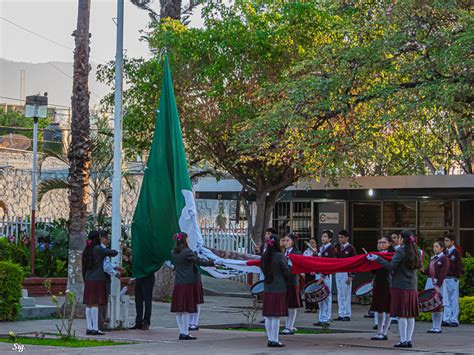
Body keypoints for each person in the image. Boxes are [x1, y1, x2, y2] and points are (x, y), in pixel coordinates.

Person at [367, 229, 422, 348]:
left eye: (399, 237)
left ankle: (403, 341)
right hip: (412, 286)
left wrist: (377, 259)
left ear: (402, 239)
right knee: (410, 315)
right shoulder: (416, 251)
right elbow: (420, 266)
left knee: (402, 315)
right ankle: (408, 340)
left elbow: (390, 266)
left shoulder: (401, 251)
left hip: (399, 286)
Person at [170, 232, 215, 340]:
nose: (189, 240)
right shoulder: (187, 252)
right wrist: (211, 262)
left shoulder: (173, 252)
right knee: (185, 309)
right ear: (185, 240)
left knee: (179, 310)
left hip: (178, 283)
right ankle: (185, 333)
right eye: (188, 238)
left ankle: (182, 332)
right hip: (187, 282)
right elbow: (198, 261)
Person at [82, 230, 119, 336]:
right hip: (97, 280)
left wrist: (85, 279)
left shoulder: (86, 250)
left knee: (88, 304)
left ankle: (89, 327)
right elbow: (113, 253)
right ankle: (95, 328)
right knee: (95, 303)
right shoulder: (98, 249)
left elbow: (83, 267)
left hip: (88, 279)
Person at [261, 234, 289, 348]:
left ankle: (270, 339)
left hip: (268, 288)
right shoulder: (280, 256)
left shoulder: (264, 256)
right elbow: (286, 272)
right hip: (279, 288)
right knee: (276, 316)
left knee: (268, 315)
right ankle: (275, 340)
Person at [99, 229, 124, 331]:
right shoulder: (102, 249)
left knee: (103, 300)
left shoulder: (96, 249)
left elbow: (107, 264)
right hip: (103, 278)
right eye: (106, 238)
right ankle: (102, 322)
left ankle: (102, 320)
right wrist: (115, 273)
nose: (107, 240)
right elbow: (105, 266)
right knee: (102, 301)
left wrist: (115, 267)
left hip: (100, 277)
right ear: (102, 238)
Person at [370, 235, 394, 340]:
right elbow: (374, 271)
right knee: (379, 309)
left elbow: (391, 267)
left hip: (389, 283)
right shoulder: (377, 254)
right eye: (379, 242)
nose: (381, 244)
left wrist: (378, 259)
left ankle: (385, 332)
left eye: (384, 242)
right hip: (378, 283)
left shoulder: (393, 254)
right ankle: (379, 331)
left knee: (388, 309)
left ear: (389, 243)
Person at [424, 240, 449, 334]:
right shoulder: (433, 258)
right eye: (434, 246)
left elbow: (444, 272)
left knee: (439, 303)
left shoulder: (444, 259)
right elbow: (427, 271)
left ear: (442, 248)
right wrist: (422, 269)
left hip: (439, 283)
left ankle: (438, 327)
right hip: (430, 281)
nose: (435, 248)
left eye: (437, 247)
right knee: (433, 304)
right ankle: (434, 327)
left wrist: (438, 284)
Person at [281, 233, 302, 335]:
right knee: (286, 304)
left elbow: (294, 267)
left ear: (293, 241)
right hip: (285, 281)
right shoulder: (284, 253)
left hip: (292, 281)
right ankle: (287, 326)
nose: (285, 243)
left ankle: (289, 326)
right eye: (284, 241)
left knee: (292, 305)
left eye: (287, 240)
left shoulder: (296, 253)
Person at [313, 230, 336, 327]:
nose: (323, 238)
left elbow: (329, 265)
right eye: (322, 236)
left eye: (325, 236)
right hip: (318, 274)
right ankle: (321, 318)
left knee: (326, 297)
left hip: (325, 275)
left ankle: (327, 318)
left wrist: (323, 276)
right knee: (320, 297)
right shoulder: (321, 248)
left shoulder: (331, 248)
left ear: (330, 239)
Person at [442, 233, 464, 327]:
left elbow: (459, 266)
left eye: (447, 241)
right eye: (445, 240)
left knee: (453, 299)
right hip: (445, 279)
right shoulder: (444, 252)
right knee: (446, 300)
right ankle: (446, 319)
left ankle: (454, 320)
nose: (445, 242)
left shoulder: (456, 252)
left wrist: (456, 277)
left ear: (452, 242)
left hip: (453, 279)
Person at [334, 230, 356, 321]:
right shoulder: (338, 247)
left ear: (347, 238)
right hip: (338, 272)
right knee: (340, 294)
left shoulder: (350, 248)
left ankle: (347, 314)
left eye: (342, 237)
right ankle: (341, 314)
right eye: (339, 237)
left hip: (346, 273)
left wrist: (351, 276)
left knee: (346, 294)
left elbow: (354, 262)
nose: (340, 239)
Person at [303, 238, 319, 313]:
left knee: (314, 290)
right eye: (310, 242)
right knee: (307, 289)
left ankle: (314, 307)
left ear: (316, 244)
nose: (311, 244)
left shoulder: (317, 252)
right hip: (307, 272)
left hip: (315, 273)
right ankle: (308, 307)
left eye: (313, 242)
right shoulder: (306, 252)